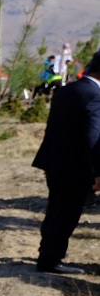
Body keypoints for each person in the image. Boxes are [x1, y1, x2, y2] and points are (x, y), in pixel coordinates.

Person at [31, 50, 100, 274]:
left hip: (54, 160)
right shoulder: (94, 95)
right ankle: (51, 260)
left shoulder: (68, 89)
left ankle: (47, 251)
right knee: (67, 213)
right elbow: (93, 136)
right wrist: (97, 171)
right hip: (76, 166)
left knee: (55, 208)